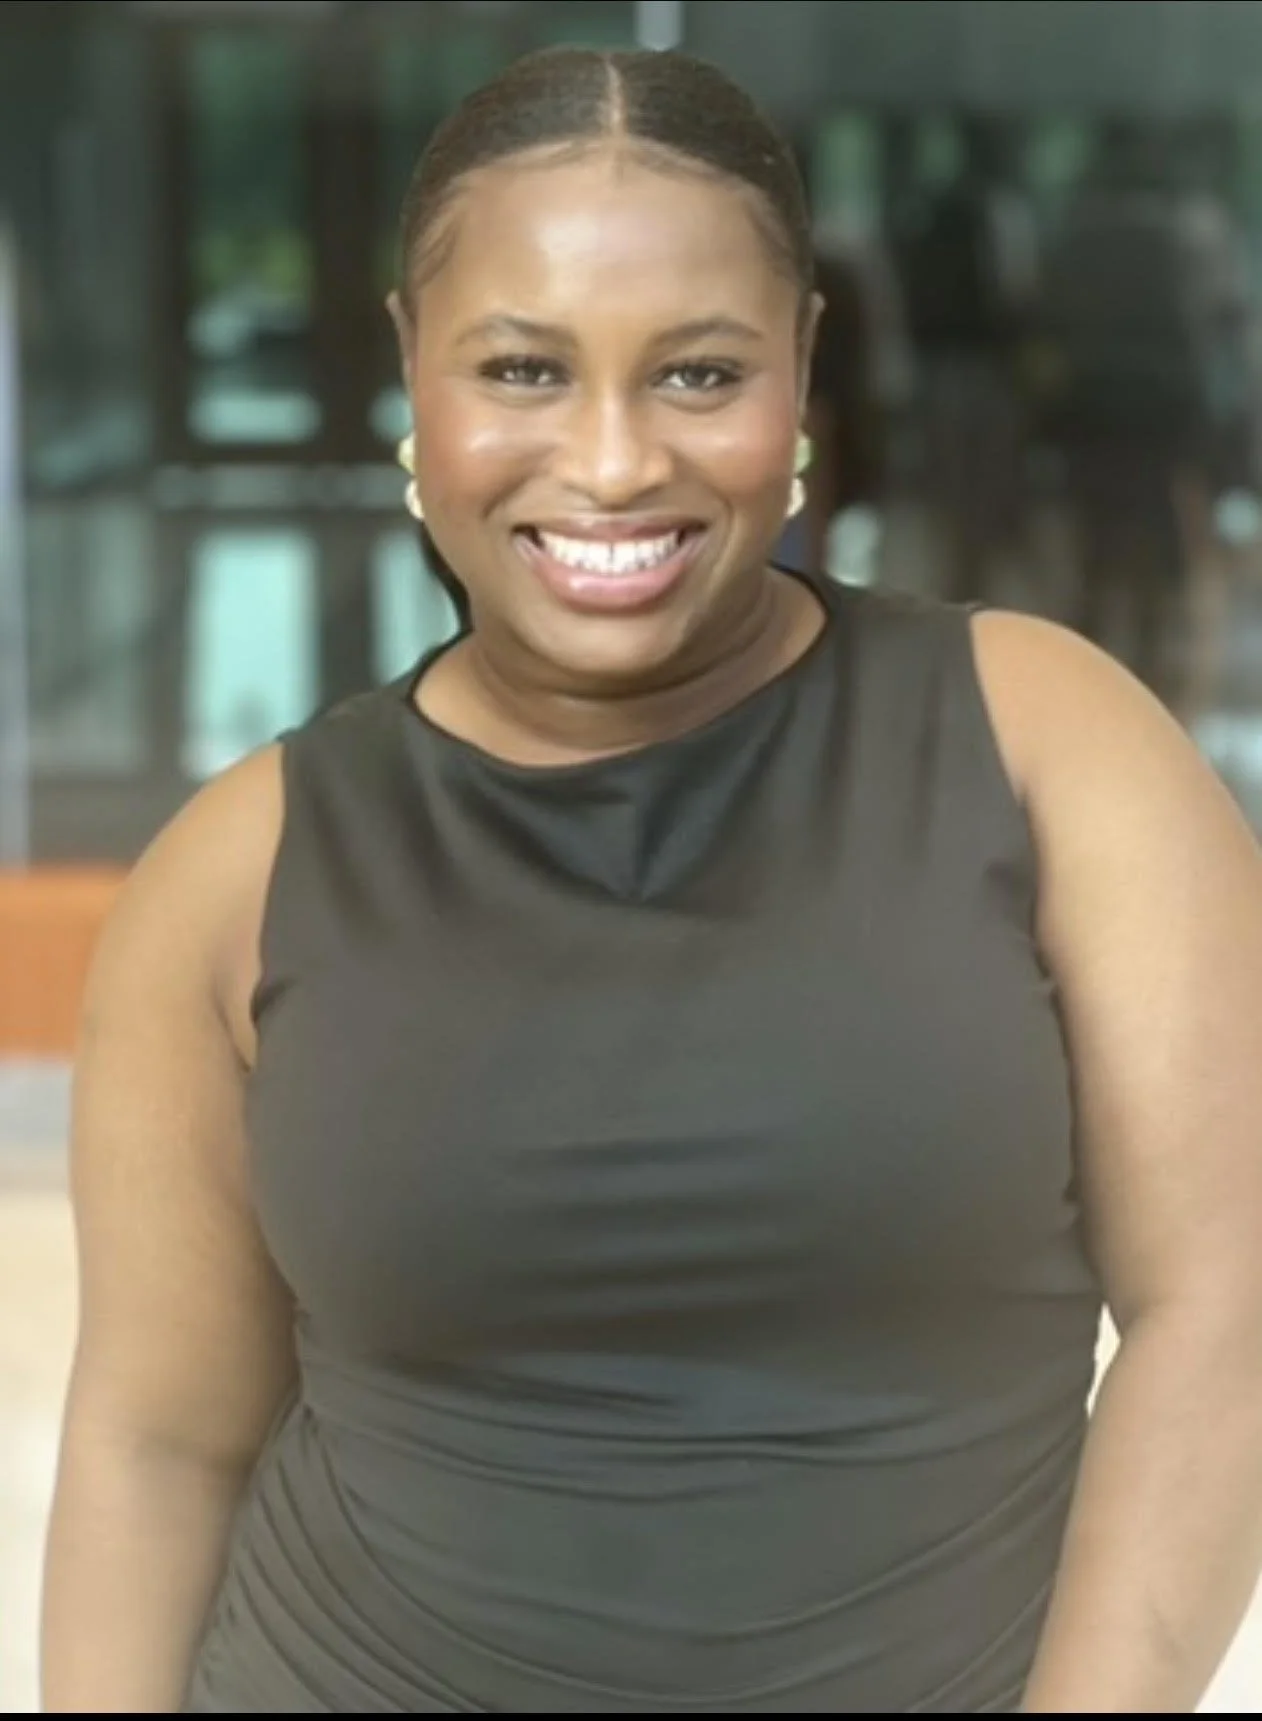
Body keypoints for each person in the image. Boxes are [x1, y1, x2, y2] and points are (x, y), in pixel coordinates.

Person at [40, 48, 1262, 1715]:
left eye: (697, 375)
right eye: (523, 369)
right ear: (414, 363)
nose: (611, 466)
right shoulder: (239, 871)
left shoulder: (1042, 747)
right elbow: (157, 1442)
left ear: (805, 368)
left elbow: (1225, 1311)